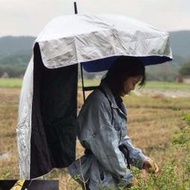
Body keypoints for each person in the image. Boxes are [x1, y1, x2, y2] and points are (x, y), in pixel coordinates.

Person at [68, 56, 159, 189]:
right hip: (101, 176)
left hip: (109, 173)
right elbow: (107, 146)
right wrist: (126, 177)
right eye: (134, 82)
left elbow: (121, 140)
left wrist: (142, 160)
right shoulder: (98, 102)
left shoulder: (116, 103)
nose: (133, 88)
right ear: (122, 76)